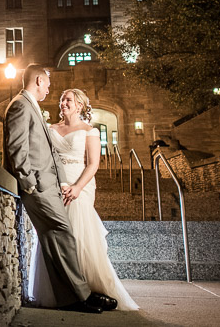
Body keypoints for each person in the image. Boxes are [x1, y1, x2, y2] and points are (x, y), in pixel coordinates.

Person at [3, 65, 116, 314]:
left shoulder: (30, 105)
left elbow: (52, 153)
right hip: (38, 186)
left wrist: (65, 183)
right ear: (39, 80)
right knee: (62, 230)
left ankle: (70, 297)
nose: (50, 90)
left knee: (55, 236)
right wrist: (29, 183)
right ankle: (82, 296)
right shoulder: (21, 105)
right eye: (48, 84)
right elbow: (17, 146)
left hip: (55, 184)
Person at [30, 88, 139, 311]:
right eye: (61, 99)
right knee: (56, 236)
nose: (63, 103)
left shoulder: (90, 131)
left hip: (80, 185)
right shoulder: (50, 129)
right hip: (54, 186)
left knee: (79, 235)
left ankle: (90, 289)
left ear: (79, 105)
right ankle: (61, 290)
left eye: (68, 100)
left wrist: (77, 187)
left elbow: (93, 163)